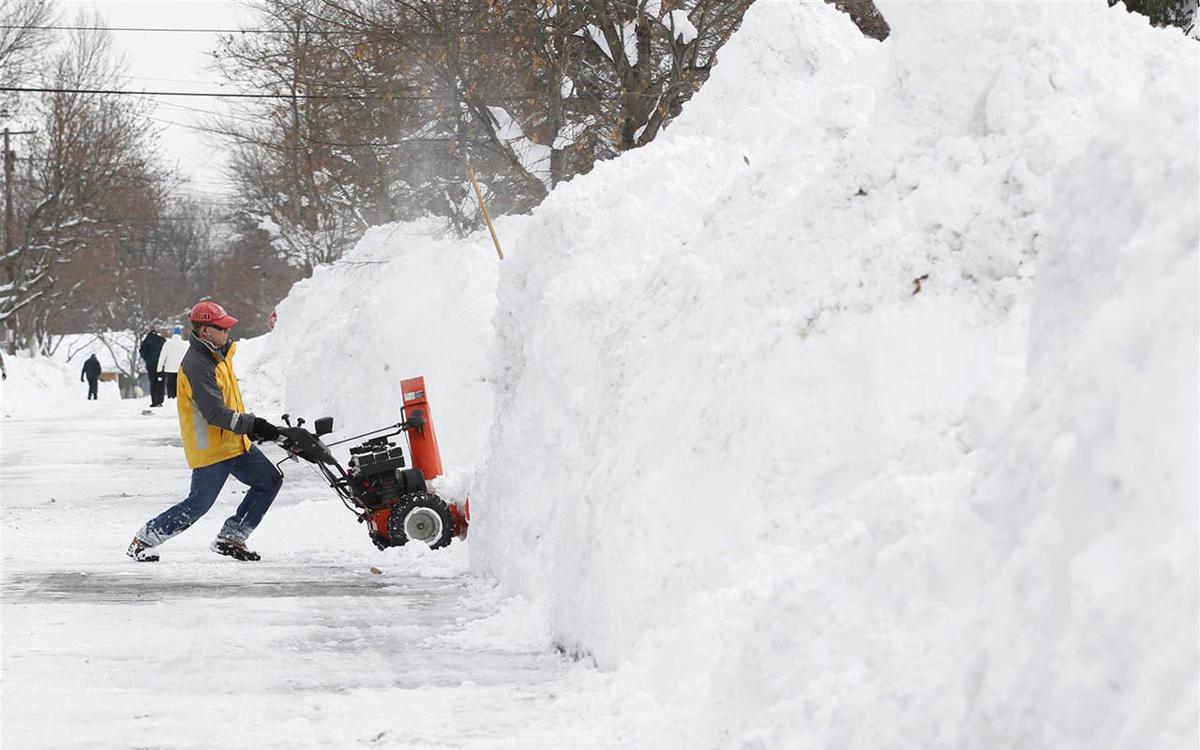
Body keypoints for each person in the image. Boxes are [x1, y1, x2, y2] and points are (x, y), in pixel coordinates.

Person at [127, 302, 283, 562]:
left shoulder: (219, 355)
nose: (227, 332)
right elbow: (215, 413)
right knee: (198, 504)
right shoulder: (198, 364)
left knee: (269, 480)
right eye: (221, 327)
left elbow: (229, 403)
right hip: (211, 446)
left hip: (233, 442)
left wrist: (249, 431)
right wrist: (254, 424)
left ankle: (231, 537)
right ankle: (144, 539)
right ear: (205, 331)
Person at [157, 325, 188, 399]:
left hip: (169, 369)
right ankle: (179, 398)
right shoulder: (185, 344)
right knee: (180, 385)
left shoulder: (167, 344)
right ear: (180, 335)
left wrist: (159, 369)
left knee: (170, 384)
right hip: (181, 368)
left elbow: (162, 357)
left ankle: (171, 397)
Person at [138, 326, 167, 407]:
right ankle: (160, 401)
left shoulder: (146, 341)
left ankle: (154, 401)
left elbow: (142, 352)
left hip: (151, 365)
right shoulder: (162, 340)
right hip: (161, 365)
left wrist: (147, 359)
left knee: (153, 382)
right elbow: (166, 351)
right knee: (161, 382)